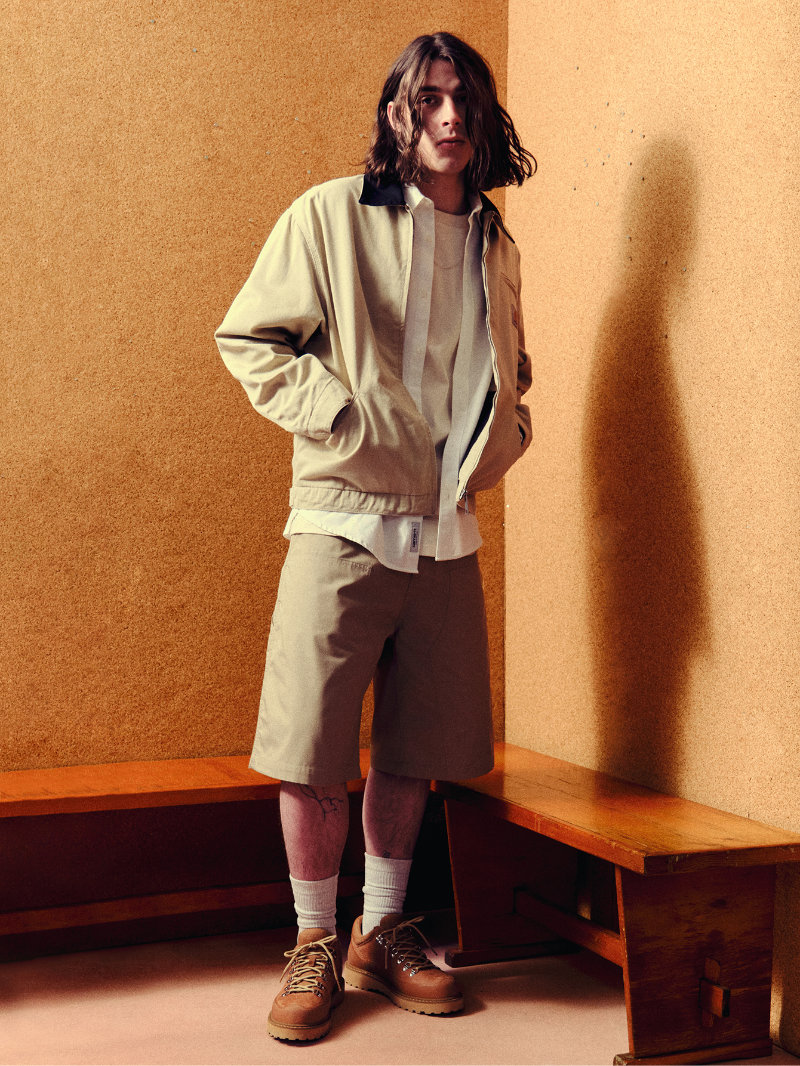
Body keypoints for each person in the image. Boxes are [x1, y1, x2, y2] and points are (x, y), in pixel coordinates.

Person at [215, 31, 536, 1042]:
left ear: (484, 119)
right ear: (399, 112)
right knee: (312, 740)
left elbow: (510, 373)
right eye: (429, 98)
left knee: (413, 744)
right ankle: (314, 939)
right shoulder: (327, 216)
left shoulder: (495, 243)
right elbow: (250, 337)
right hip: (343, 520)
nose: (449, 116)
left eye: (465, 100)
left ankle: (381, 929)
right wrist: (344, 419)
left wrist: (507, 436)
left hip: (446, 532)